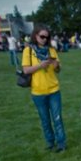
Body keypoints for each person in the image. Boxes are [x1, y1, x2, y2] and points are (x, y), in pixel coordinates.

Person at [22, 24, 67, 152]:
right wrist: (40, 66)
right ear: (35, 36)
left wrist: (56, 65)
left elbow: (58, 70)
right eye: (42, 37)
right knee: (45, 120)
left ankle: (61, 143)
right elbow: (26, 70)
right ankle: (50, 142)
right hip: (38, 91)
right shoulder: (28, 51)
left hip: (54, 90)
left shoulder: (51, 50)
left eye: (47, 37)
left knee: (57, 118)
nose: (45, 40)